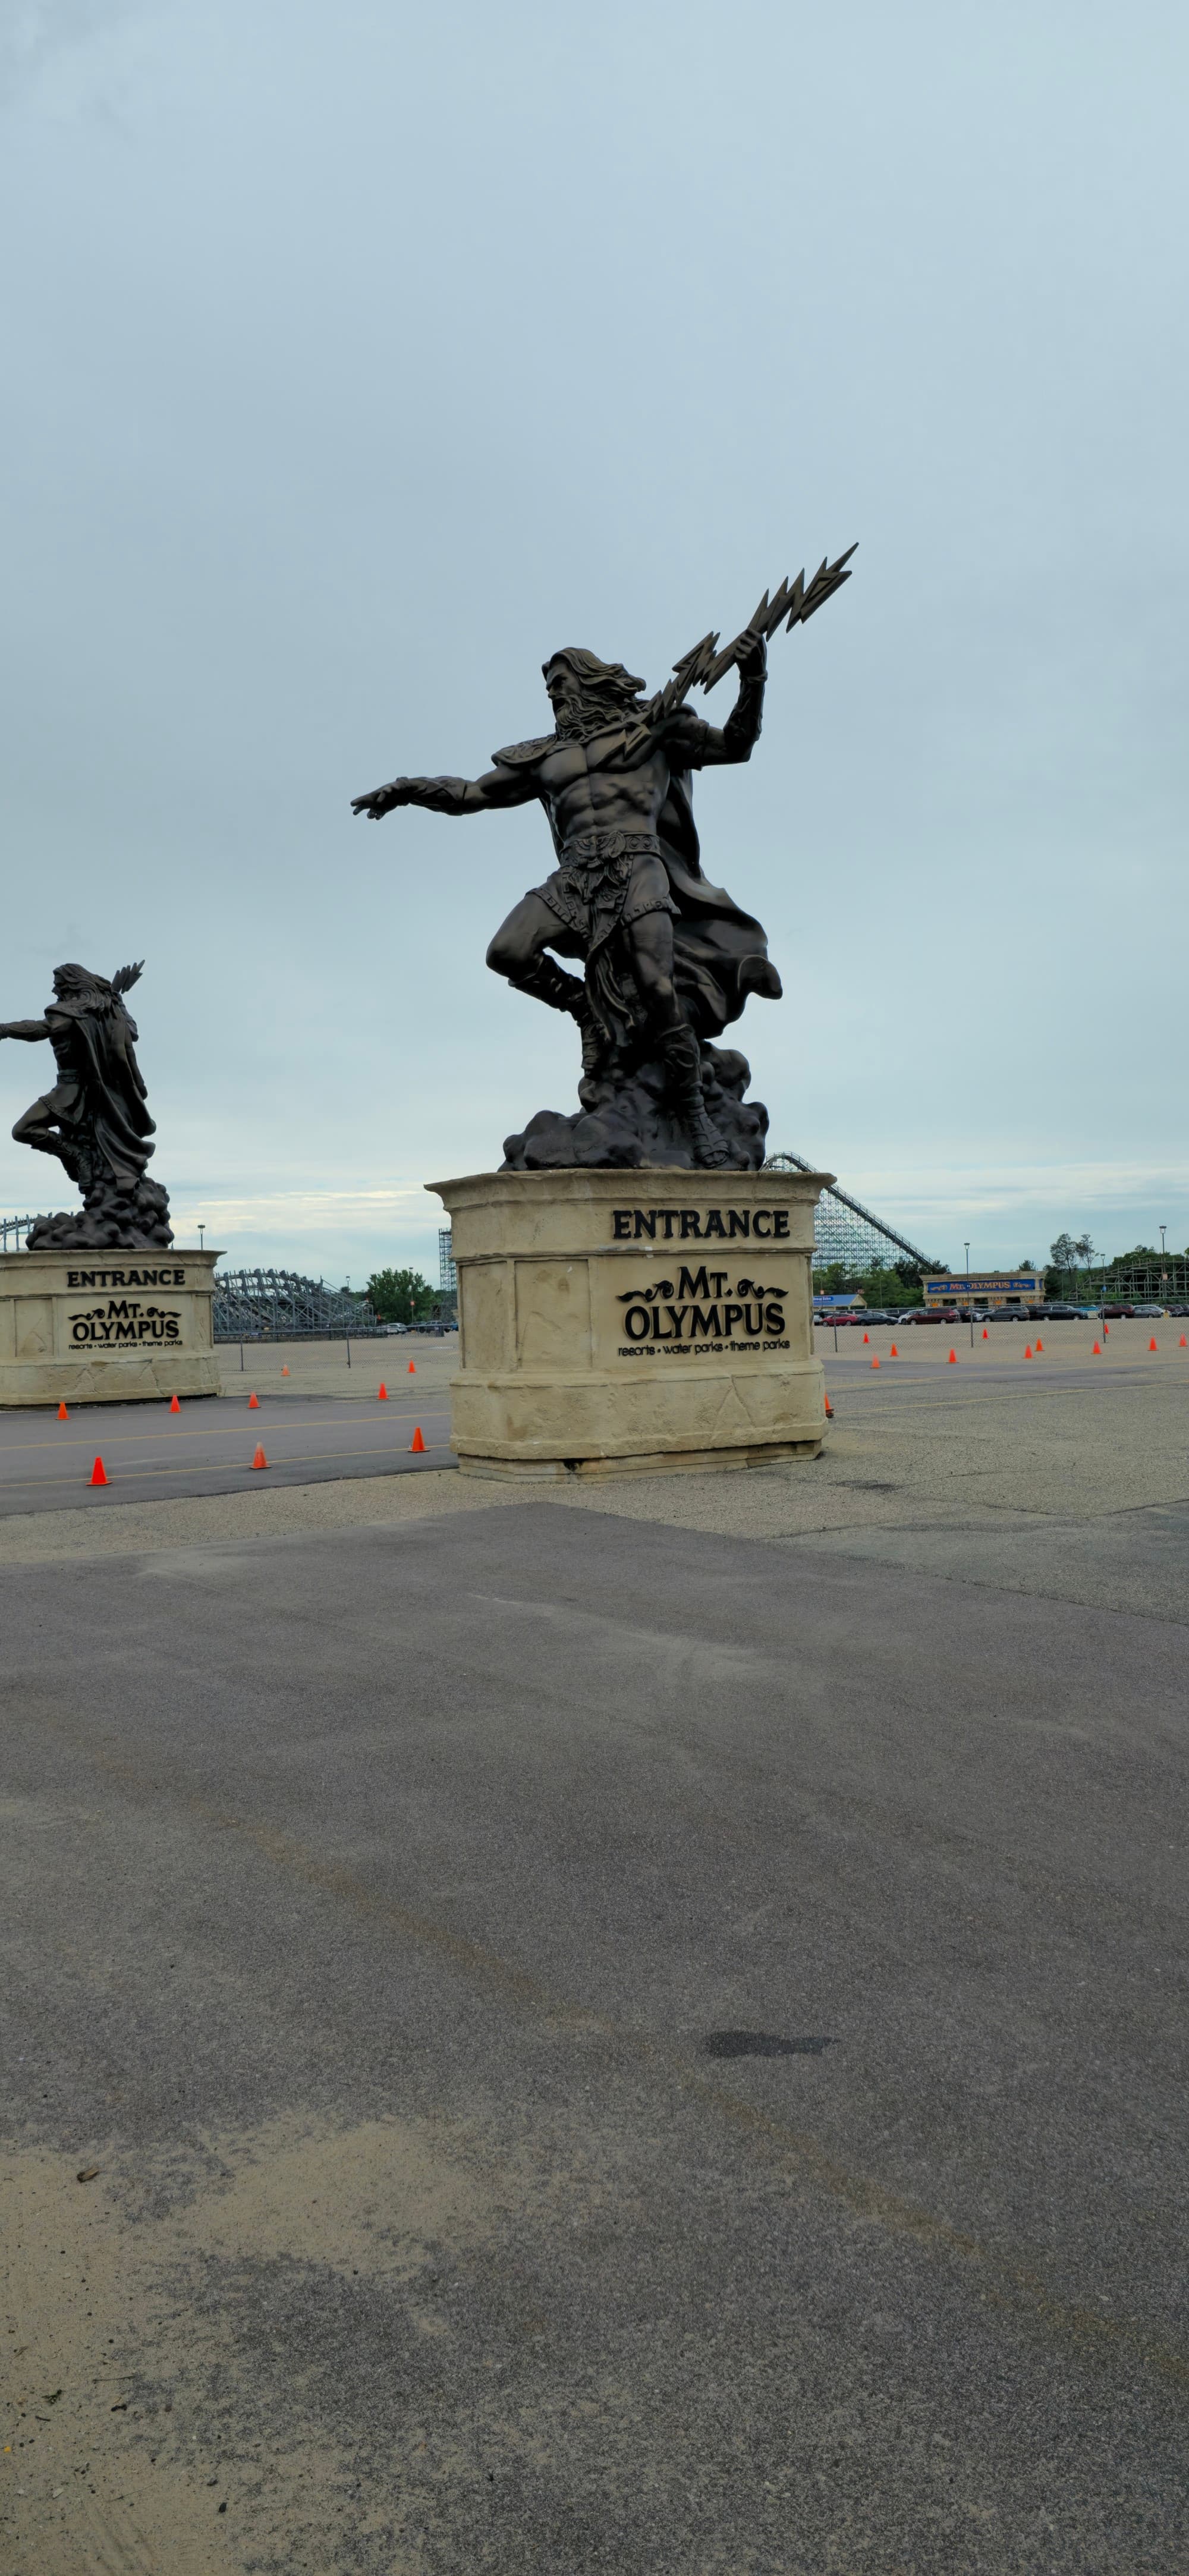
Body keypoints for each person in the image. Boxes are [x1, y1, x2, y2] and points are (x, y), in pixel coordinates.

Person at [352, 636, 782, 1168]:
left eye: (561, 683)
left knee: (658, 986)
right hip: (576, 875)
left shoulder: (656, 729)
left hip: (639, 865)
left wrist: (752, 677)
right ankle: (584, 1009)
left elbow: (736, 744)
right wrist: (405, 788)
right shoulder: (545, 757)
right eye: (549, 689)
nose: (554, 695)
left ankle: (695, 1117)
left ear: (590, 680)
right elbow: (470, 794)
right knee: (507, 951)